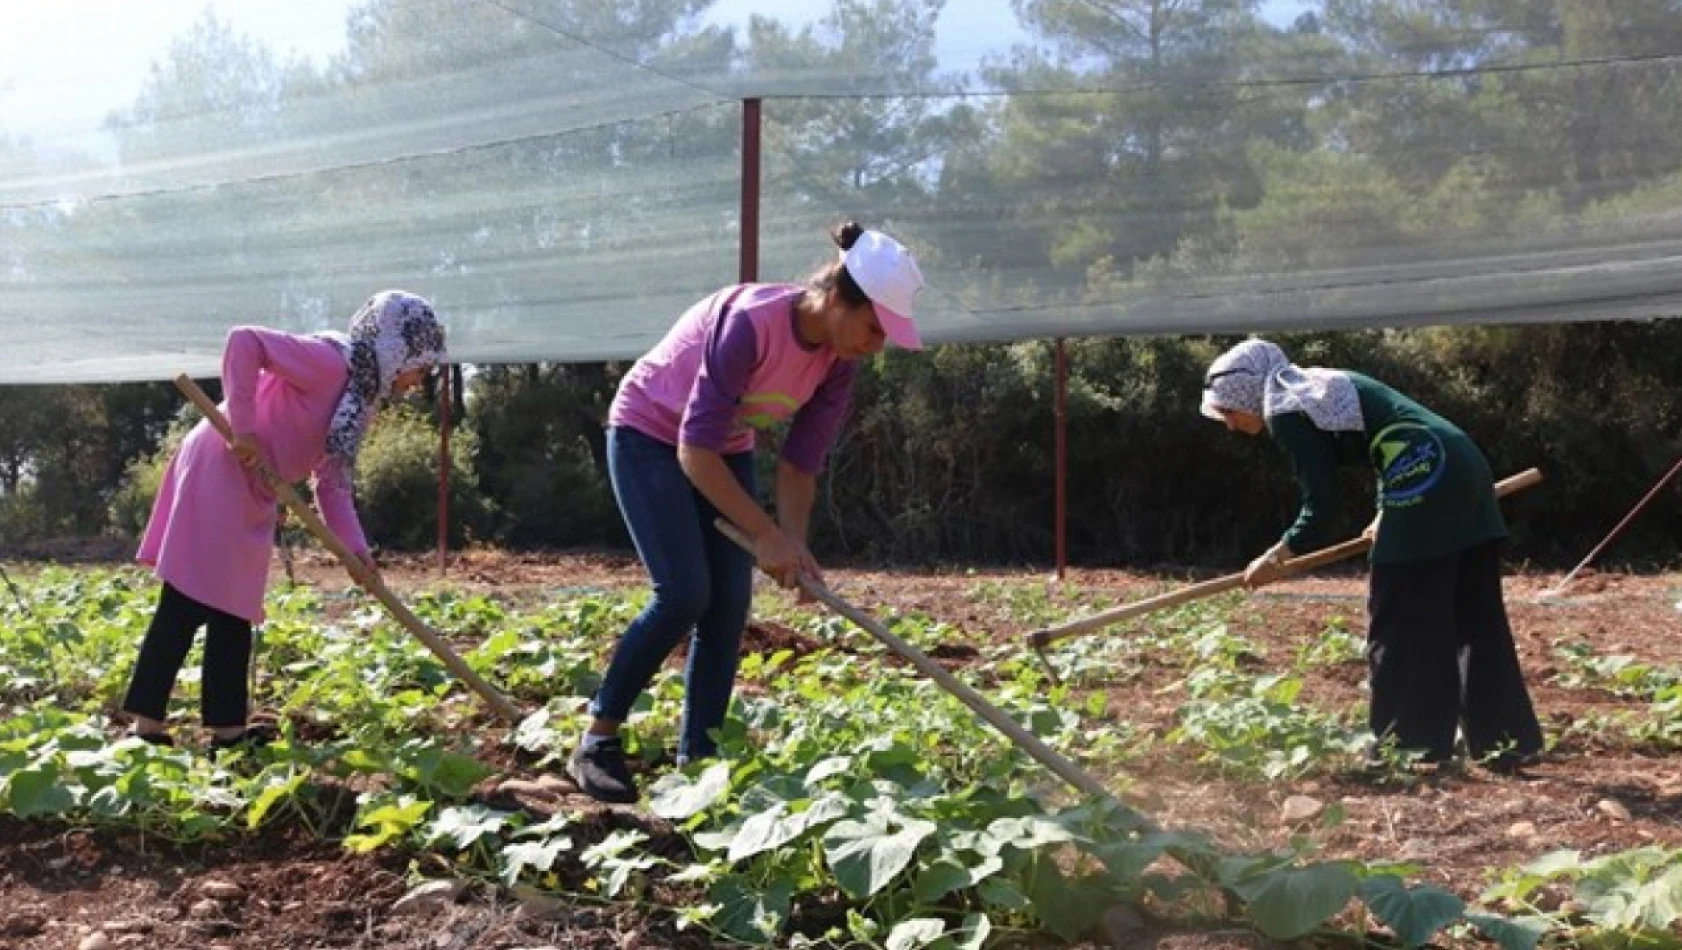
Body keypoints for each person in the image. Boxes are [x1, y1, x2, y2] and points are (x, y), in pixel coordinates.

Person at [567, 221, 925, 803]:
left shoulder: (839, 361)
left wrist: (793, 542)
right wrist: (765, 536)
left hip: (723, 447)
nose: (875, 345)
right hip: (648, 432)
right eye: (874, 328)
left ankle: (698, 765)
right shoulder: (750, 324)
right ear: (839, 296)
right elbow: (693, 450)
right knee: (684, 593)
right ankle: (598, 739)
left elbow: (799, 464)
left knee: (730, 604)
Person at [121, 290, 447, 751]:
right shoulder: (330, 363)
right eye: (421, 366)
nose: (419, 380)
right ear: (396, 349)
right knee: (192, 599)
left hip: (253, 488)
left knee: (233, 605)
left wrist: (355, 551)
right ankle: (150, 728)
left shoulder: (360, 403)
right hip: (222, 462)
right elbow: (245, 342)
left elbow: (332, 482)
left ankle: (223, 731)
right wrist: (247, 428)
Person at [1200, 338, 1543, 771]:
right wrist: (1384, 509)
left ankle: (1407, 748)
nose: (1229, 423)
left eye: (1228, 411)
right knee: (1474, 619)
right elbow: (1390, 434)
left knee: (1400, 618)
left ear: (1245, 395)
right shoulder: (1321, 384)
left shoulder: (1286, 410)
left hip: (1425, 477)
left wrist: (1279, 554)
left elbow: (1322, 503)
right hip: (1460, 465)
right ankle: (1507, 743)